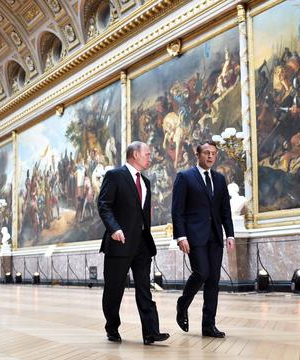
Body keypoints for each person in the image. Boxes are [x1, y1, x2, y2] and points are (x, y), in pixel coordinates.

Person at [97, 141, 169, 345]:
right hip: (119, 242)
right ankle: (112, 327)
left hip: (141, 245)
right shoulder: (114, 175)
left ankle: (151, 332)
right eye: (147, 154)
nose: (150, 157)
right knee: (114, 289)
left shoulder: (146, 182)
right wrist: (114, 228)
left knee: (145, 288)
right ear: (135, 154)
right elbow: (104, 205)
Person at [172, 140, 235, 338]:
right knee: (201, 272)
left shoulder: (219, 179)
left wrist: (230, 234)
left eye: (213, 154)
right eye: (206, 153)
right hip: (194, 235)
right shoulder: (184, 177)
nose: (210, 156)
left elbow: (225, 210)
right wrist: (181, 236)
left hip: (215, 235)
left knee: (213, 281)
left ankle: (208, 325)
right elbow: (177, 210)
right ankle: (183, 304)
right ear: (197, 155)